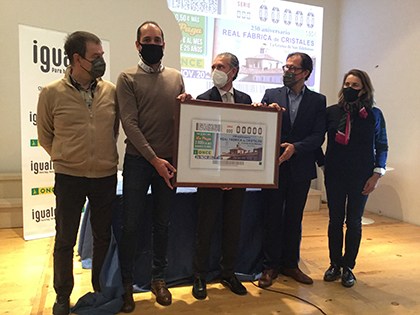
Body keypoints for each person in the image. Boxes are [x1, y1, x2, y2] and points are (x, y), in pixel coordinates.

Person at [37, 31, 118, 315]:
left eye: (101, 56)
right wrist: (67, 159)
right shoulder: (51, 92)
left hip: (106, 176)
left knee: (102, 237)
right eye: (95, 57)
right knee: (65, 239)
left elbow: (113, 130)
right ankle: (62, 295)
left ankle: (100, 287)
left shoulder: (110, 91)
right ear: (77, 59)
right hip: (69, 177)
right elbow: (46, 136)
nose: (101, 62)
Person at [116, 21, 190, 312]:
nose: (153, 44)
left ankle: (159, 279)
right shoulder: (127, 78)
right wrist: (155, 160)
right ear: (138, 45)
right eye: (147, 39)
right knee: (131, 225)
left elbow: (182, 118)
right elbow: (130, 125)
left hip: (169, 164)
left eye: (157, 39)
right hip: (138, 161)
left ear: (164, 43)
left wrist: (186, 104)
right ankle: (126, 285)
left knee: (162, 224)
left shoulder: (176, 77)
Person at [256, 52, 326, 288]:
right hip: (275, 166)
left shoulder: (318, 101)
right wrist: (266, 112)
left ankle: (291, 265)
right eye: (285, 67)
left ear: (306, 73)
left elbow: (318, 136)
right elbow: (259, 126)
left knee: (294, 218)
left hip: (301, 167)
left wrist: (295, 148)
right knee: (272, 217)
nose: (288, 72)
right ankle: (269, 267)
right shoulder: (271, 95)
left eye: (293, 68)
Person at [191, 53, 252, 300]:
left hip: (238, 177)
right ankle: (199, 276)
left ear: (233, 72)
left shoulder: (246, 100)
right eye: (214, 66)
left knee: (232, 227)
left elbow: (249, 138)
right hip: (209, 177)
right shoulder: (202, 99)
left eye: (221, 66)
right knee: (204, 228)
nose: (215, 69)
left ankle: (228, 273)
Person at [322, 69, 388, 287]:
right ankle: (334, 264)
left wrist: (377, 173)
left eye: (355, 86)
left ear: (364, 90)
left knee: (354, 222)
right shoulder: (331, 112)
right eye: (346, 84)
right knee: (335, 220)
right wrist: (322, 163)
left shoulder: (374, 115)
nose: (349, 88)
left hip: (361, 176)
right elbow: (315, 138)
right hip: (335, 175)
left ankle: (348, 266)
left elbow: (382, 145)